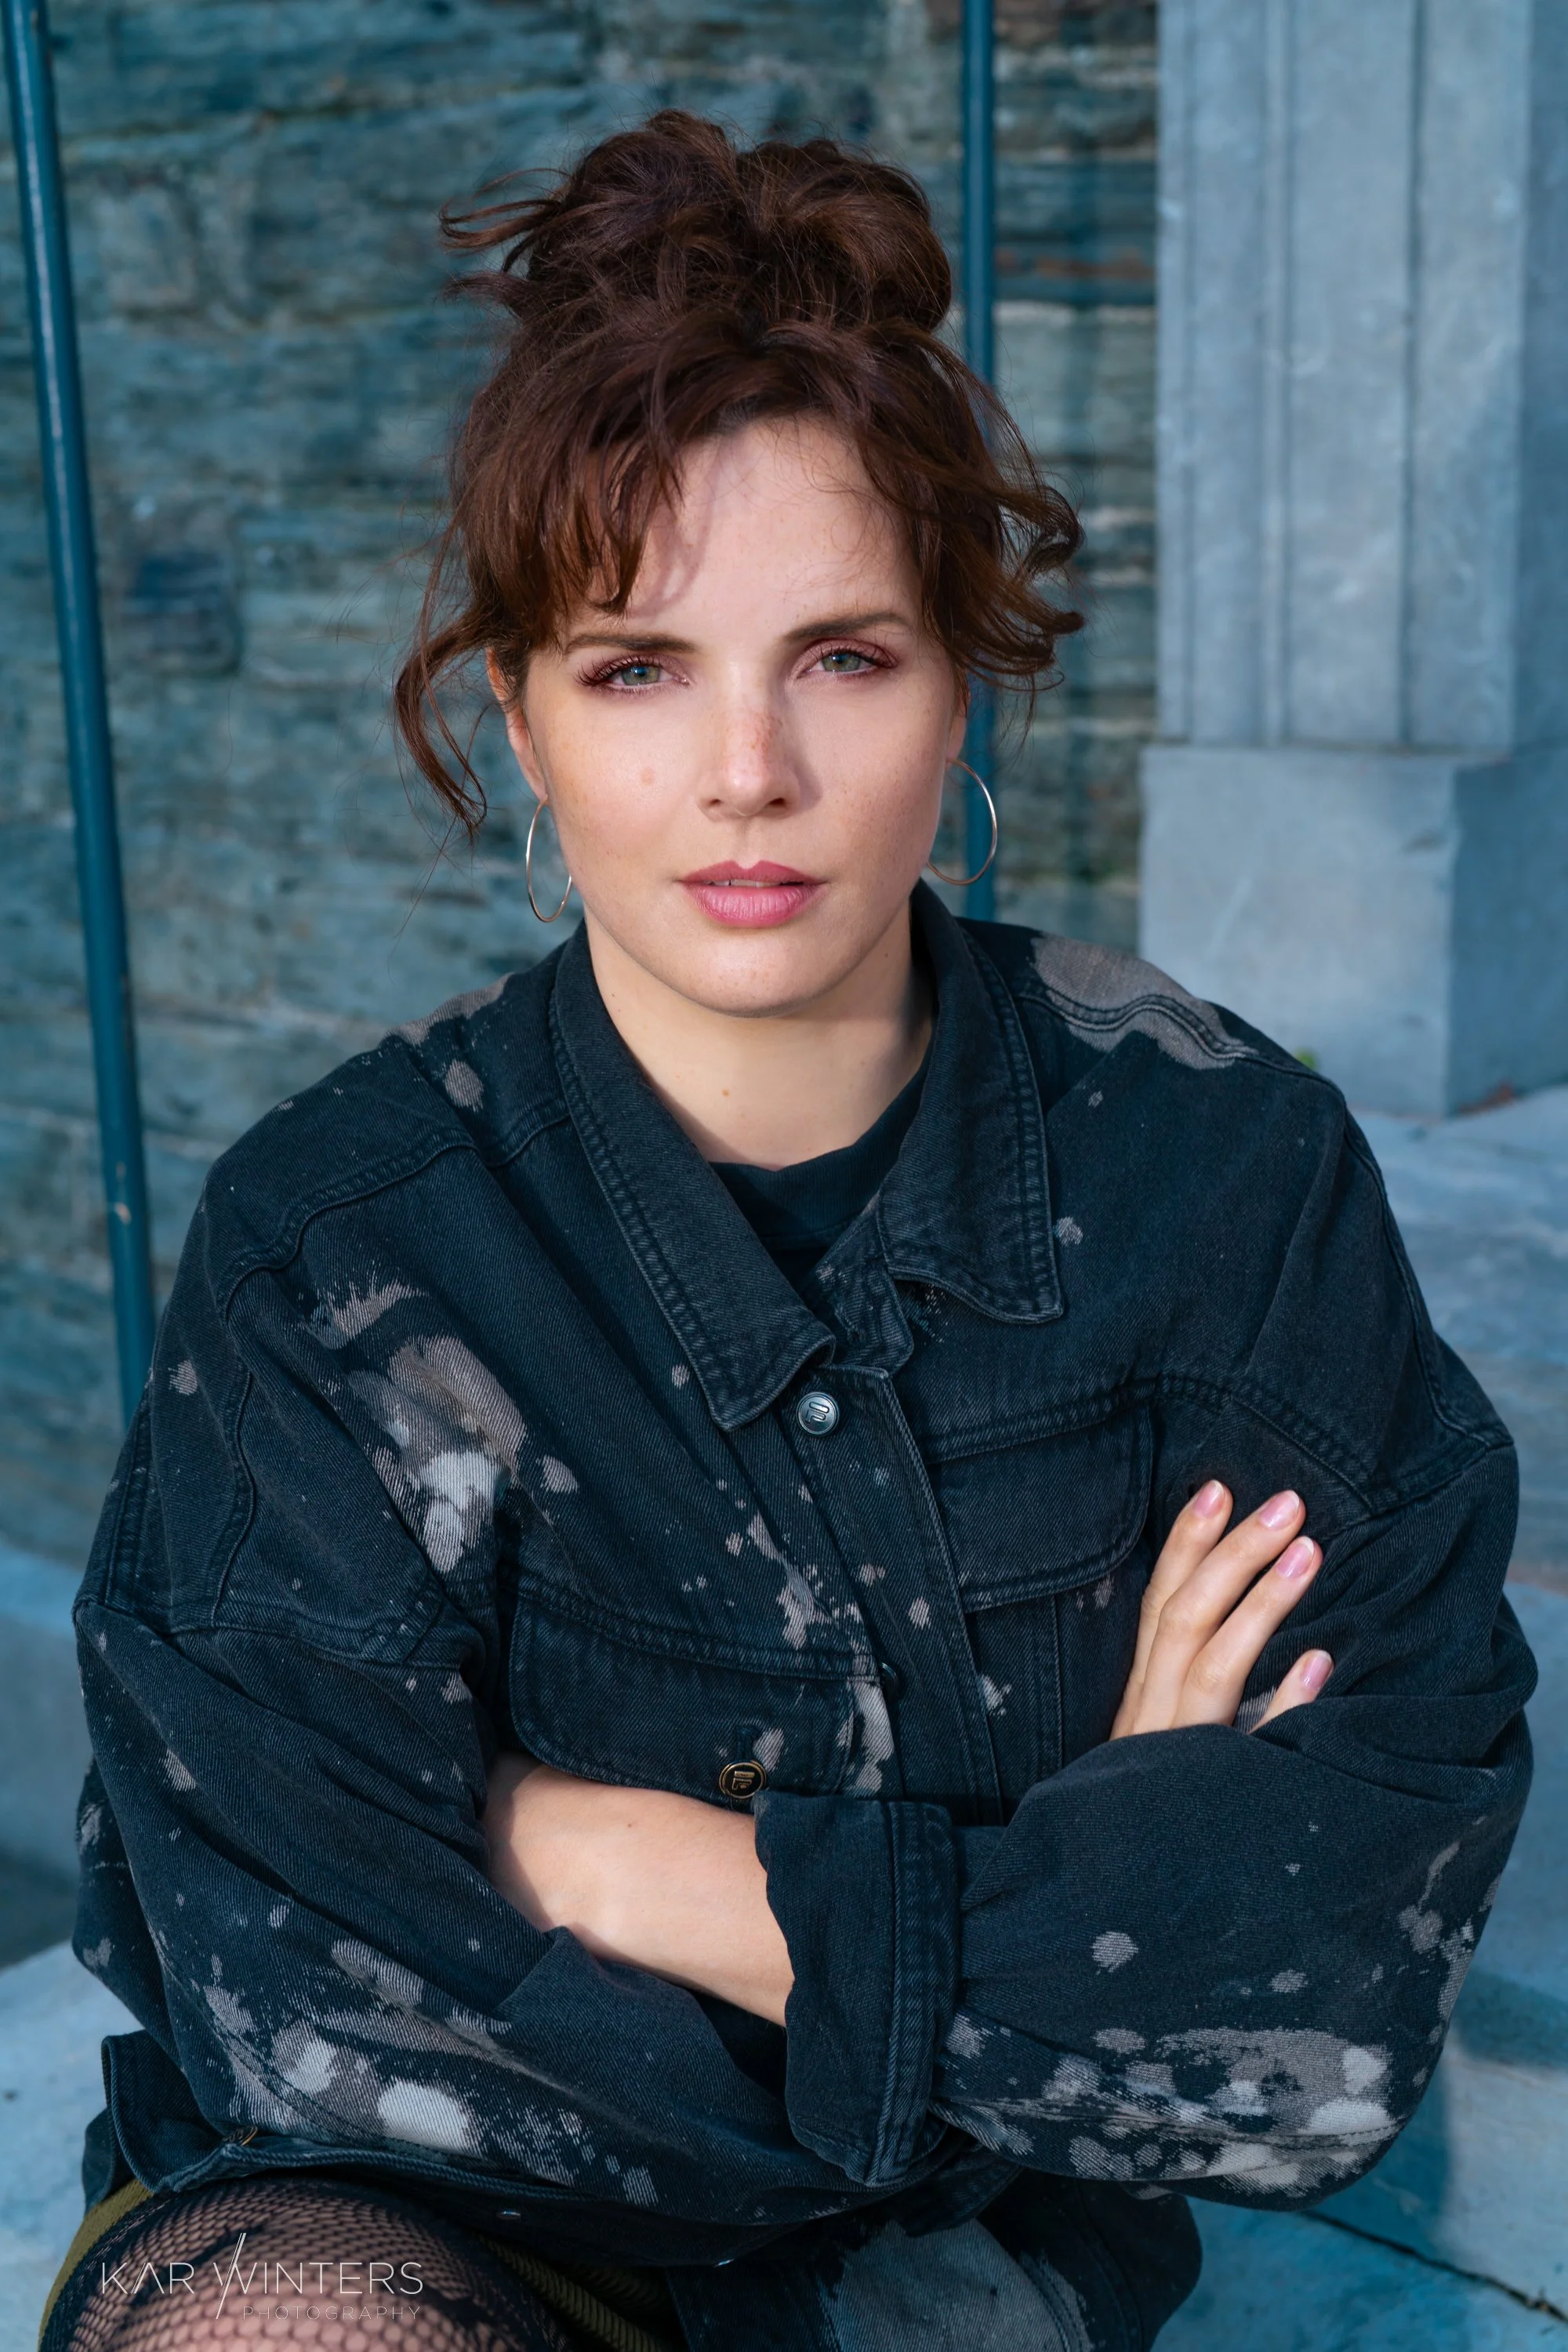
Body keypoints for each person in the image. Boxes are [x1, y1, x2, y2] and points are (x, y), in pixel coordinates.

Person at [45, 113, 1532, 2352]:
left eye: (843, 656)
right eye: (639, 667)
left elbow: (1309, 1988)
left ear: (964, 691)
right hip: (414, 2211)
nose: (748, 770)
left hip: (958, 2255)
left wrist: (576, 1851)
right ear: (523, 722)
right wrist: (1049, 1908)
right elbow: (271, 1962)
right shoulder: (337, 1256)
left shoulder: (1221, 1183)